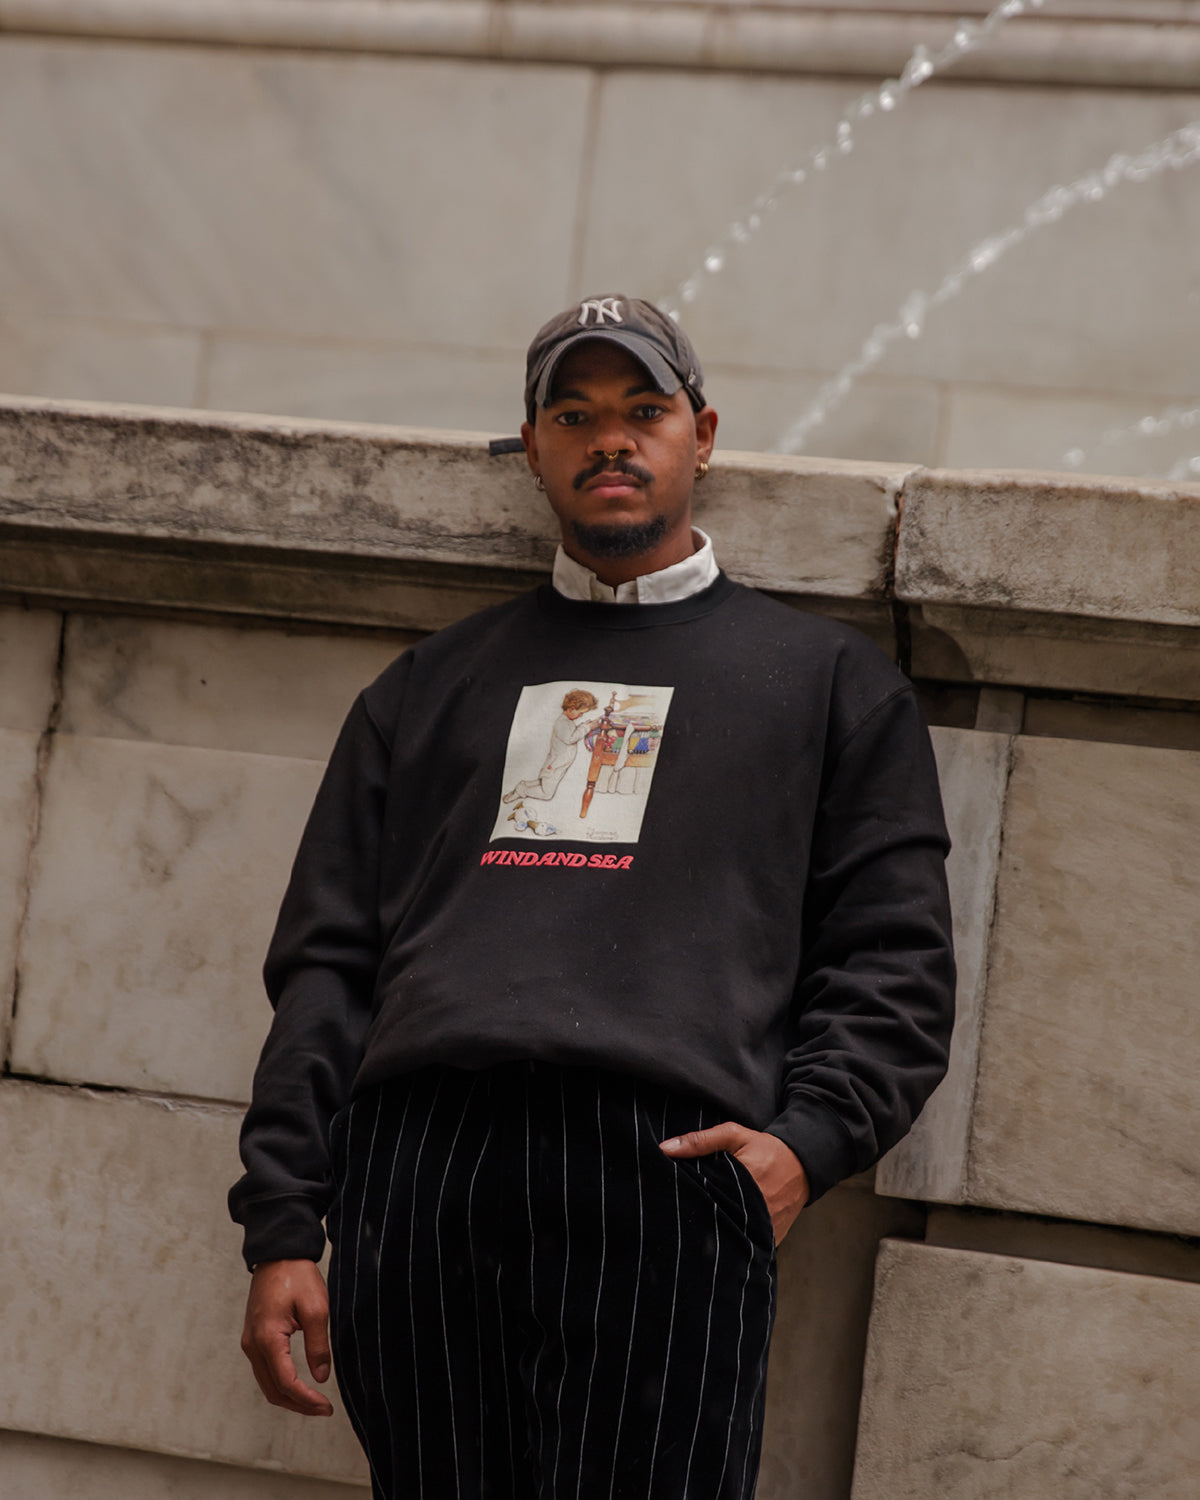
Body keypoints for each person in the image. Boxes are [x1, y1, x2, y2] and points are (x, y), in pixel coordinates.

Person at [230, 294, 956, 1500]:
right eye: (573, 414)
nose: (609, 438)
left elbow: (895, 964)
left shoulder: (830, 684)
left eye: (643, 410)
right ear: (533, 448)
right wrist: (284, 1222)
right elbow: (326, 966)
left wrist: (801, 1147)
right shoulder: (428, 686)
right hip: (421, 1172)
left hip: (669, 1171)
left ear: (701, 434)